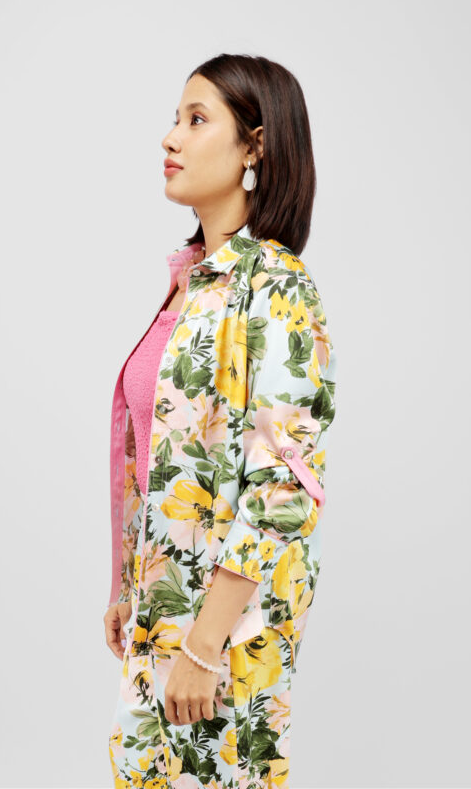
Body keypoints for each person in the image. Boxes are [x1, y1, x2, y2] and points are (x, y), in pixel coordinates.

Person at [104, 53, 337, 789]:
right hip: (163, 614)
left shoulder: (276, 286)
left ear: (254, 147)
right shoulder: (189, 282)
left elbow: (285, 488)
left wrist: (205, 645)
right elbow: (155, 454)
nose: (170, 137)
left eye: (196, 119)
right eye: (175, 117)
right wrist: (125, 586)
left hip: (227, 633)